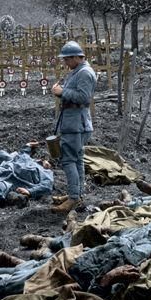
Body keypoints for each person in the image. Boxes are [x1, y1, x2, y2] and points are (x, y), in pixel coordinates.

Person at [50, 41, 97, 213]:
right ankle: (76, 194)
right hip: (73, 122)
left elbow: (84, 98)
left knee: (68, 159)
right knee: (77, 159)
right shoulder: (77, 71)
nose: (65, 63)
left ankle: (73, 199)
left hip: (77, 124)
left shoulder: (84, 73)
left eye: (67, 59)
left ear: (77, 57)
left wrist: (62, 92)